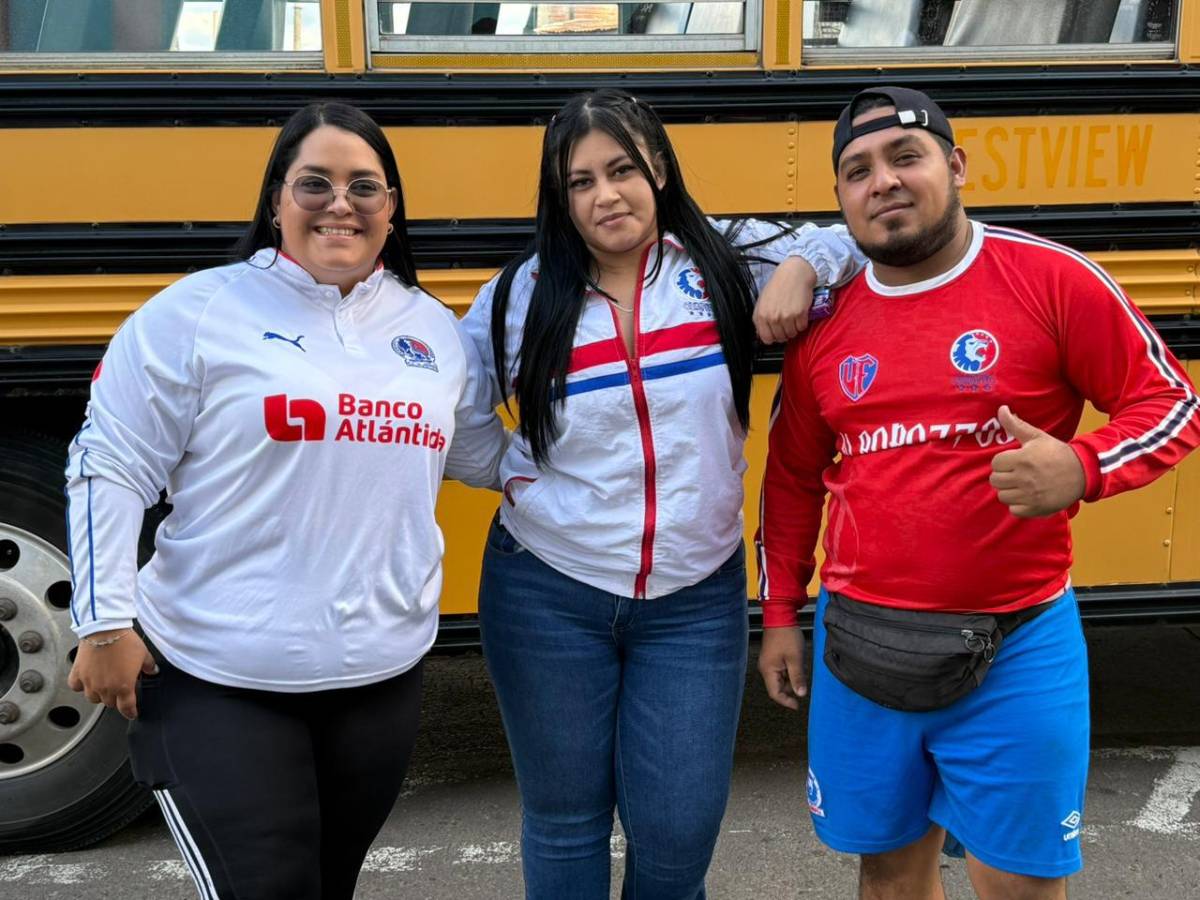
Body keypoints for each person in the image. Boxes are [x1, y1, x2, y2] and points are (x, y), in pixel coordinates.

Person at [756, 86, 1200, 900]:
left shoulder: (1050, 279)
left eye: (905, 157)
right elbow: (789, 481)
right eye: (857, 170)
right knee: (889, 876)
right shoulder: (823, 326)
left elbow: (1171, 402)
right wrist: (781, 611)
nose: (882, 182)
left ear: (955, 166)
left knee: (1018, 885)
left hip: (1018, 642)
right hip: (859, 647)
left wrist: (1084, 466)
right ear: (841, 200)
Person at [64, 101, 506, 900]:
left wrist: (600, 474)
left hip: (380, 680)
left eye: (365, 186)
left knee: (327, 885)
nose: (341, 202)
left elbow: (479, 453)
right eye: (316, 183)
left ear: (392, 208)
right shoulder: (195, 314)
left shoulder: (432, 330)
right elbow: (110, 462)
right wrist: (102, 622)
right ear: (276, 200)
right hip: (215, 676)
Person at [459, 88, 862, 899]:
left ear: (659, 169)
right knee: (567, 823)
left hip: (692, 598)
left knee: (677, 836)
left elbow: (848, 236)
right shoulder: (520, 296)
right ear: (559, 195)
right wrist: (509, 471)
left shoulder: (723, 262)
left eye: (623, 170)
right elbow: (458, 408)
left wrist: (799, 267)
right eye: (580, 181)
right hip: (546, 594)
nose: (605, 195)